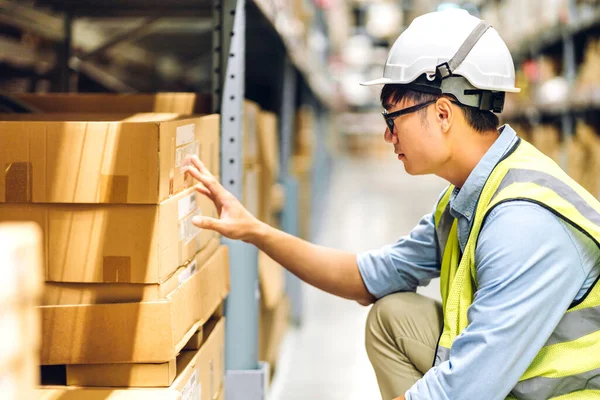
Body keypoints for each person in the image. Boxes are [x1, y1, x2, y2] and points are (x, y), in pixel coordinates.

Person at [184, 9, 600, 400]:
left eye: (392, 118)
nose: (388, 136)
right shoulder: (469, 197)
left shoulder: (522, 223)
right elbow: (367, 277)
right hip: (511, 382)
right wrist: (254, 230)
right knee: (393, 316)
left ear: (442, 114)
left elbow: (463, 392)